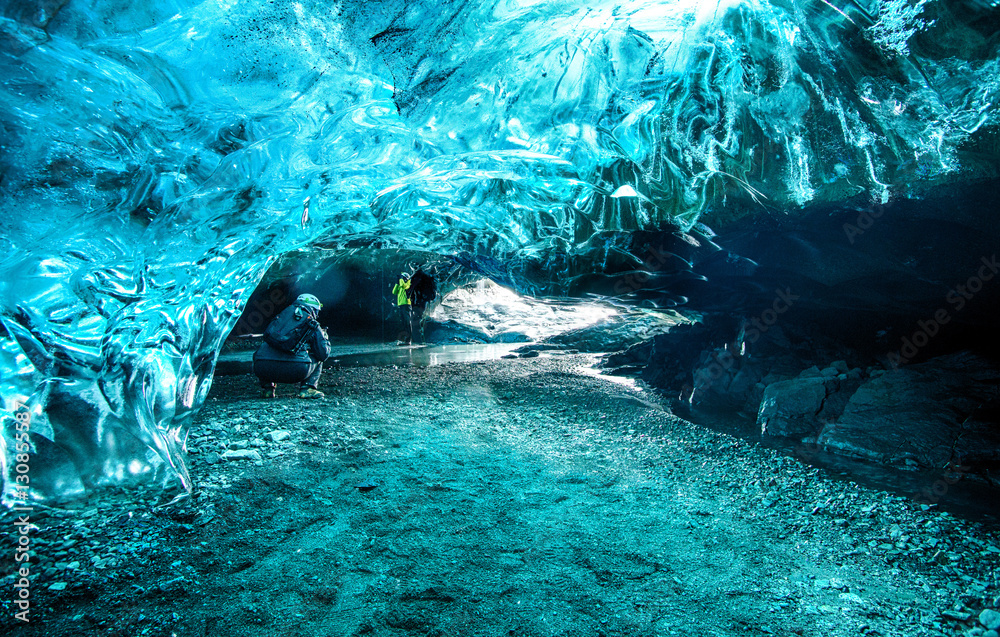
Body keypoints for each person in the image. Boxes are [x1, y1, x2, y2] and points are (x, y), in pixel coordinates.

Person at [253, 293, 331, 399]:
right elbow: (323, 354)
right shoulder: (312, 323)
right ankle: (307, 389)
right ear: (314, 309)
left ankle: (268, 389)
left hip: (262, 368)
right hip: (296, 371)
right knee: (317, 356)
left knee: (262, 354)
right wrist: (325, 339)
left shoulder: (280, 316)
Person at [406, 267, 437, 344]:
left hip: (419, 299)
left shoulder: (418, 276)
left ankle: (417, 338)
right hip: (422, 299)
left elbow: (412, 287)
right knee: (420, 317)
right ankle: (419, 337)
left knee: (418, 317)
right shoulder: (427, 277)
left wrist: (408, 293)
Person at [391, 273, 412, 344]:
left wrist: (400, 279)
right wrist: (397, 283)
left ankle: (409, 339)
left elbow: (404, 286)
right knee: (403, 322)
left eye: (403, 277)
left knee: (407, 322)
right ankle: (403, 339)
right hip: (401, 305)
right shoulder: (401, 283)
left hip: (406, 304)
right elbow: (394, 292)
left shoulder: (408, 283)